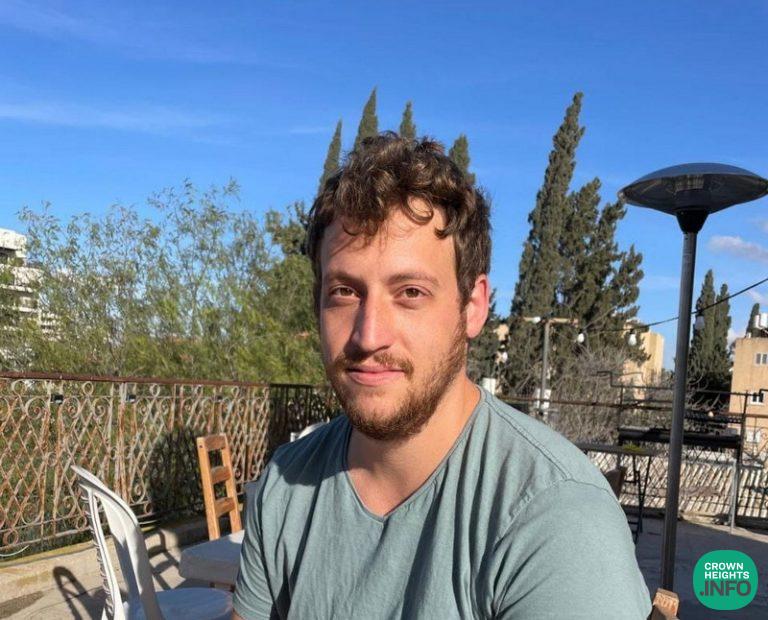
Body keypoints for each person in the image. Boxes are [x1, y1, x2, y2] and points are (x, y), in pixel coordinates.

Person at [233, 132, 651, 619]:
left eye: (410, 292)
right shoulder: (286, 485)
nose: (368, 336)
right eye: (344, 292)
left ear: (473, 306)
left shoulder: (555, 517)